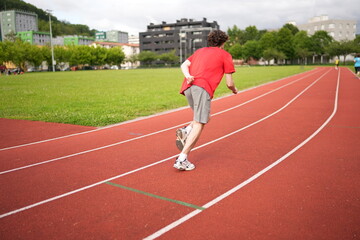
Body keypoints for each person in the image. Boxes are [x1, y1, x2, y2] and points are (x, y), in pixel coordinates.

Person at [174, 30, 238, 171]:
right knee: (200, 122)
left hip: (188, 87)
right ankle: (182, 159)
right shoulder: (225, 55)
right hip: (202, 88)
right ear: (223, 42)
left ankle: (187, 129)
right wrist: (234, 90)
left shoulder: (200, 51)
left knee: (204, 117)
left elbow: (183, 65)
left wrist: (189, 76)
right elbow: (229, 83)